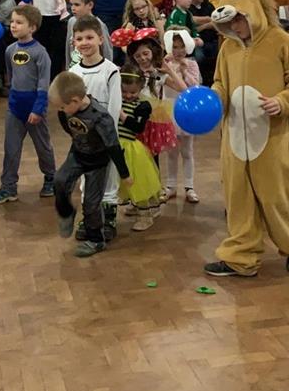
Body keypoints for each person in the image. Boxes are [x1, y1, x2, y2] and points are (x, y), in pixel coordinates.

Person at [203, 0, 289, 278]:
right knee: (238, 199)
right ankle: (241, 257)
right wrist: (216, 98)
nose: (236, 26)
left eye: (239, 18)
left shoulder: (282, 42)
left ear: (253, 10)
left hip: (273, 137)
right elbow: (220, 82)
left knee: (279, 196)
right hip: (235, 138)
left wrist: (282, 101)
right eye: (230, 21)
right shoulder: (228, 49)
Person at [49, 71, 131, 258]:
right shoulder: (66, 110)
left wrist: (124, 174)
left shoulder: (101, 117)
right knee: (60, 180)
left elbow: (113, 146)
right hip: (77, 155)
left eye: (62, 107)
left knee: (91, 204)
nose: (61, 110)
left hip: (97, 163)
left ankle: (96, 240)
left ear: (75, 100)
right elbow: (68, 126)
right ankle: (66, 213)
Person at [0, 5, 56, 204]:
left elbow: (43, 83)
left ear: (32, 27)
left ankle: (51, 177)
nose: (13, 26)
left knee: (43, 146)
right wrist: (12, 101)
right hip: (15, 108)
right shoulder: (10, 50)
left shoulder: (40, 53)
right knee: (11, 148)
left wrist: (38, 108)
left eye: (19, 22)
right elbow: (11, 76)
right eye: (12, 22)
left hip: (35, 108)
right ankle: (8, 186)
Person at [70, 14, 121, 240]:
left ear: (100, 39)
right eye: (79, 39)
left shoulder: (111, 71)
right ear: (74, 42)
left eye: (89, 37)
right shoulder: (74, 73)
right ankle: (90, 218)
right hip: (84, 139)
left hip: (105, 138)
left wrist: (106, 136)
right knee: (86, 178)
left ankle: (108, 219)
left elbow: (114, 107)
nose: (85, 43)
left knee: (108, 178)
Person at [123, 28, 183, 160]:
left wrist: (169, 70)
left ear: (153, 52)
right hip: (133, 116)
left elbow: (182, 88)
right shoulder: (131, 73)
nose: (142, 58)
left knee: (152, 156)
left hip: (152, 120)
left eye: (145, 53)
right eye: (138, 56)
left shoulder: (158, 74)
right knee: (135, 154)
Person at [118, 64, 162, 231]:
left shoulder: (142, 106)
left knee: (137, 182)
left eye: (133, 92)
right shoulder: (117, 101)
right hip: (117, 146)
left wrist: (122, 115)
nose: (128, 95)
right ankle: (135, 204)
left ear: (140, 88)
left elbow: (138, 128)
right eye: (124, 92)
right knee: (123, 181)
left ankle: (146, 215)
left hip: (131, 150)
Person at [163, 28, 200, 202]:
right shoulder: (165, 64)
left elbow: (195, 86)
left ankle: (189, 186)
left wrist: (184, 71)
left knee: (187, 151)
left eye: (182, 46)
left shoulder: (192, 64)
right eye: (175, 47)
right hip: (169, 109)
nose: (178, 51)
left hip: (186, 110)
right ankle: (170, 185)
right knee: (171, 152)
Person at [65, 0, 112, 69]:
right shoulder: (71, 22)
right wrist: (68, 69)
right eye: (71, 4)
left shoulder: (99, 25)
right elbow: (68, 49)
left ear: (90, 5)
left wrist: (106, 70)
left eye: (77, 5)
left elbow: (107, 52)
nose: (72, 8)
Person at [189, 0, 218, 86]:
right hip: (196, 42)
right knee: (199, 57)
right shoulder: (188, 7)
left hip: (212, 40)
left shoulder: (209, 6)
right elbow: (191, 22)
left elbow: (216, 22)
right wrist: (207, 22)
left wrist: (203, 25)